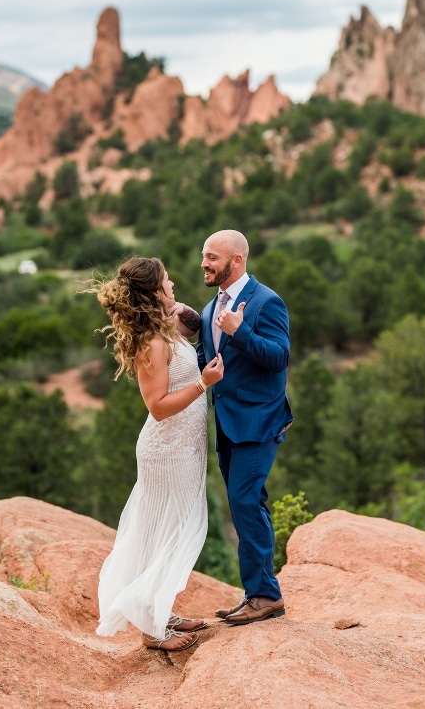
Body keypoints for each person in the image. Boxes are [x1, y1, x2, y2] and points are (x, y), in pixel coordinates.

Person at [92, 256, 224, 652]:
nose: (173, 287)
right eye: (167, 284)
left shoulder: (162, 329)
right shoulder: (151, 342)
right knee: (173, 529)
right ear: (153, 292)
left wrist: (184, 314)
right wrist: (204, 383)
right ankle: (152, 629)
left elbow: (193, 327)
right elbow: (158, 405)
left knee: (172, 527)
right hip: (166, 451)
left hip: (184, 446)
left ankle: (158, 609)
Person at [197, 230, 292, 625]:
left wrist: (242, 332)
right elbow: (214, 357)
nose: (204, 263)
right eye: (203, 255)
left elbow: (279, 356)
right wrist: (191, 326)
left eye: (212, 257)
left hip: (259, 421)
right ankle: (257, 592)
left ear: (236, 260)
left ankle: (266, 596)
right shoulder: (209, 307)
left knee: (244, 501)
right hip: (227, 424)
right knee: (246, 503)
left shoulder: (267, 302)